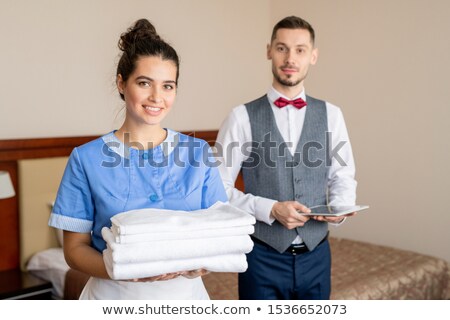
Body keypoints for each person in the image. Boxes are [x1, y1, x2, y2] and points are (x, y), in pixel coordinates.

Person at [48, 19, 227, 300]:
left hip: (186, 299)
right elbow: (74, 250)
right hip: (114, 297)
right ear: (122, 83)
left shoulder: (199, 153)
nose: (157, 97)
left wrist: (201, 265)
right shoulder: (86, 159)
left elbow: (220, 234)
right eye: (145, 83)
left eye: (168, 86)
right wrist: (124, 270)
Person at [215, 16, 357, 300]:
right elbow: (217, 191)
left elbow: (342, 177)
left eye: (300, 50)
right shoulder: (240, 117)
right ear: (269, 50)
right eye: (282, 48)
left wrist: (339, 208)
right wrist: (269, 209)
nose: (290, 58)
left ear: (313, 56)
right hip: (261, 259)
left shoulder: (332, 114)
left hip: (317, 257)